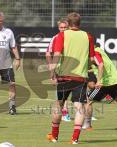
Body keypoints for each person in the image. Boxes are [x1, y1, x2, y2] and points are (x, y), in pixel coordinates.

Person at [46, 12, 95, 144]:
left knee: (59, 105)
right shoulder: (87, 36)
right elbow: (91, 59)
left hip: (64, 76)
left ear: (68, 23)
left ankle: (54, 137)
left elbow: (56, 54)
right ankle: (75, 139)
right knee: (79, 107)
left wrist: (52, 71)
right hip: (81, 77)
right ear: (79, 23)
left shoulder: (62, 35)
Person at [46, 18, 71, 122]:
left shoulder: (72, 38)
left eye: (65, 27)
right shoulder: (55, 38)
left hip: (74, 69)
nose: (63, 29)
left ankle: (86, 116)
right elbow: (48, 53)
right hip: (60, 70)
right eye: (61, 27)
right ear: (58, 28)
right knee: (62, 95)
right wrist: (51, 68)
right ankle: (65, 114)